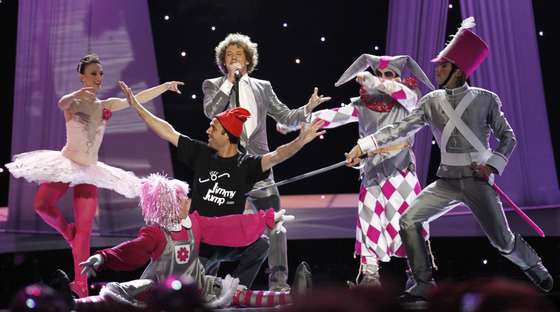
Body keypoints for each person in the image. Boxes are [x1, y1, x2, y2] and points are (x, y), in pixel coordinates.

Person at [345, 18, 553, 301]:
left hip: (477, 183)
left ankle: (534, 266)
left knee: (502, 240)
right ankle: (423, 281)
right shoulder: (431, 101)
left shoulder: (485, 99)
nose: (437, 69)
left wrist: (492, 165)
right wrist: (365, 143)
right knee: (408, 221)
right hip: (446, 181)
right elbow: (399, 129)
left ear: (459, 71)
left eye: (443, 65)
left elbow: (508, 138)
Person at [5, 54, 184, 298]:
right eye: (93, 73)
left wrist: (163, 87)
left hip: (89, 171)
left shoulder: (105, 105)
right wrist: (78, 94)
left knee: (86, 229)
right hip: (66, 163)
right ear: (82, 76)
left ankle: (81, 284)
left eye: (100, 73)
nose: (98, 78)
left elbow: (134, 100)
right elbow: (62, 103)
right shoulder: (74, 101)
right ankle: (69, 234)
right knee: (41, 205)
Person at [118, 79, 324, 288]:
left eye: (213, 129)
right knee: (155, 286)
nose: (207, 132)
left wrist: (300, 140)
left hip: (227, 241)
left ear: (227, 136)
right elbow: (167, 131)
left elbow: (277, 155)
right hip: (197, 242)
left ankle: (237, 289)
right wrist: (136, 106)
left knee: (261, 244)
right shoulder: (201, 153)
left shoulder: (247, 165)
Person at [278, 54, 436, 286]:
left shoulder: (409, 99)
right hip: (372, 174)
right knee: (368, 221)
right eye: (379, 74)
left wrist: (374, 81)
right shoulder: (363, 105)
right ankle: (370, 275)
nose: (383, 79)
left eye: (389, 75)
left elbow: (399, 92)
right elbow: (330, 116)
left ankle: (418, 275)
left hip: (400, 172)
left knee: (408, 223)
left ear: (399, 77)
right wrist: (293, 123)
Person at [202, 33, 331, 291]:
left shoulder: (263, 87)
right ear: (223, 62)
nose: (234, 58)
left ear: (248, 60)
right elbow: (210, 111)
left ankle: (279, 284)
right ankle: (205, 282)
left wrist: (307, 108)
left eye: (238, 54)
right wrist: (228, 82)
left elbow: (286, 117)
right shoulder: (213, 84)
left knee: (276, 225)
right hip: (227, 170)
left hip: (260, 168)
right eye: (229, 55)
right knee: (216, 226)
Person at [77, 173, 311, 309]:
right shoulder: (156, 233)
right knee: (122, 295)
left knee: (240, 295)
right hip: (165, 288)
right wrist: (102, 257)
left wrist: (267, 218)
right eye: (182, 199)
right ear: (170, 204)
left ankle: (294, 297)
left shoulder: (195, 223)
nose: (188, 201)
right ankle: (76, 303)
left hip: (198, 285)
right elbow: (132, 250)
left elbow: (227, 224)